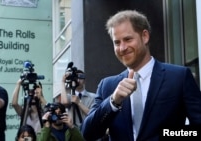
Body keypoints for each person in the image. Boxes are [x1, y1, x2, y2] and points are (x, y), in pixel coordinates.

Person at [81, 10, 201, 141]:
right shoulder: (107, 86)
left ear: (145, 36)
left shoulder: (179, 77)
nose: (122, 48)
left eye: (127, 39)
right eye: (117, 42)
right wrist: (113, 102)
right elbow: (87, 133)